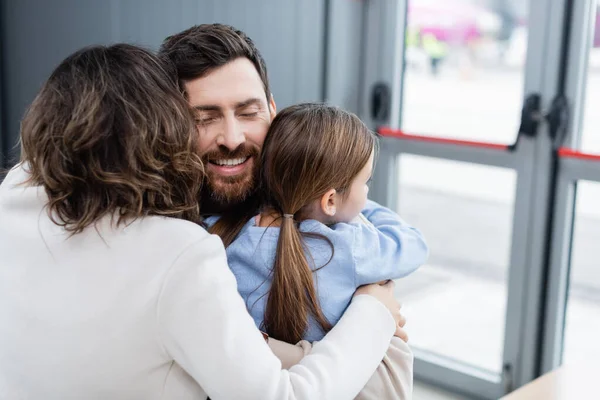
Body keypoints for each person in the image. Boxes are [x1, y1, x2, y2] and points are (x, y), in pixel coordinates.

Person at [0, 44, 404, 399]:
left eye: (248, 112)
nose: (230, 137)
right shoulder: (174, 247)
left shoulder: (17, 194)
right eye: (204, 117)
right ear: (168, 129)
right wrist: (371, 311)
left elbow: (386, 380)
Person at [206, 103, 428, 399]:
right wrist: (359, 208)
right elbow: (413, 243)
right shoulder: (348, 247)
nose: (367, 193)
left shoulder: (223, 235)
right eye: (366, 183)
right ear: (330, 201)